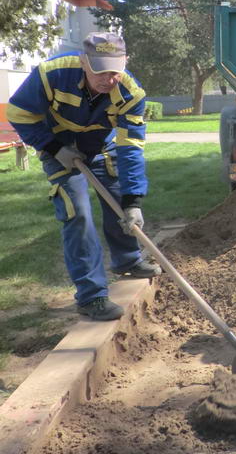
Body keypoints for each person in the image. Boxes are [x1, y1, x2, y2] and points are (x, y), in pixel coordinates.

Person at [8, 32, 161, 321]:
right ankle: (92, 296)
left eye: (115, 71)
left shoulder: (131, 93)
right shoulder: (51, 74)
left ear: (125, 62)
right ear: (83, 61)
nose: (108, 79)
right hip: (58, 147)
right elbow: (19, 113)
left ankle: (128, 261)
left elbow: (131, 148)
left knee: (119, 200)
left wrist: (133, 201)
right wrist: (53, 147)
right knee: (77, 213)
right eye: (100, 71)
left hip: (101, 147)